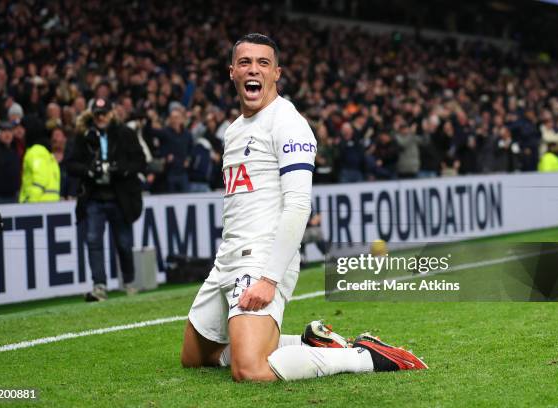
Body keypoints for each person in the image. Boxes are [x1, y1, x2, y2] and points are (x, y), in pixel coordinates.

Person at [180, 33, 426, 383]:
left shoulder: (288, 122)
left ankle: (364, 357)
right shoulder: (233, 131)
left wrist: (269, 278)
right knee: (196, 357)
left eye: (263, 63)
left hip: (261, 257)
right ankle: (311, 342)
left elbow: (298, 204)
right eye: (245, 62)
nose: (254, 69)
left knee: (249, 370)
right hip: (228, 258)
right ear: (232, 71)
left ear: (276, 73)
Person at [66, 98, 146, 301]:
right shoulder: (83, 136)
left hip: (120, 197)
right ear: (92, 115)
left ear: (111, 113)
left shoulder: (125, 134)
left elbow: (140, 161)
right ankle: (99, 285)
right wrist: (89, 170)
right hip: (94, 197)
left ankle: (128, 282)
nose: (101, 117)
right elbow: (71, 164)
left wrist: (120, 168)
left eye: (104, 113)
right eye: (97, 114)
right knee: (93, 241)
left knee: (123, 243)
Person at [18, 116, 60, 203]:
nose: (20, 132)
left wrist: (31, 202)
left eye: (23, 129)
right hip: (49, 203)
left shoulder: (35, 151)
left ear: (30, 131)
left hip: (38, 204)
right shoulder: (45, 151)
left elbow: (40, 178)